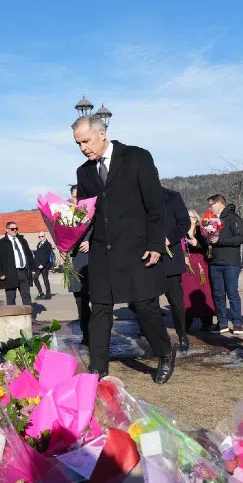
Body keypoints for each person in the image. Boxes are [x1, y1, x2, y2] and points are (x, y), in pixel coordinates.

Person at [71, 114, 176, 384]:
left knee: (144, 306)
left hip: (137, 249)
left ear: (102, 134)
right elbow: (86, 214)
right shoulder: (83, 172)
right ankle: (98, 368)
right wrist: (68, 235)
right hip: (101, 252)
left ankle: (165, 352)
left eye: (86, 141)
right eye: (78, 144)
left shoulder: (137, 157)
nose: (83, 147)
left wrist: (155, 245)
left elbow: (155, 206)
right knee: (100, 310)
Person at [205, 194, 243, 335]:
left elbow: (240, 238)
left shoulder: (234, 218)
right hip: (214, 262)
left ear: (220, 203)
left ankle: (237, 323)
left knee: (232, 293)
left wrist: (219, 240)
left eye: (211, 204)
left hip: (230, 263)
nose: (209, 207)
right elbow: (207, 239)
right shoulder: (209, 219)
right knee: (218, 294)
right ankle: (222, 322)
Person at [163, 187, 192, 350]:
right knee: (146, 302)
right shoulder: (136, 198)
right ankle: (154, 337)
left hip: (170, 257)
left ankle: (182, 334)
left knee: (175, 301)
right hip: (146, 258)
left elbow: (184, 223)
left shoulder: (172, 197)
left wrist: (169, 239)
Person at [181, 209, 215, 334]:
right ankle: (186, 321)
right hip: (186, 266)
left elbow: (208, 247)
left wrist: (197, 243)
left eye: (190, 216)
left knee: (204, 291)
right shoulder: (181, 231)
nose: (188, 219)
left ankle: (206, 322)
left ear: (195, 218)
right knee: (186, 292)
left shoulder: (202, 231)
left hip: (201, 265)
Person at [68, 186, 91, 345]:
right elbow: (63, 239)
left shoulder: (95, 213)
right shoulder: (68, 217)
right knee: (81, 303)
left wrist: (92, 242)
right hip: (76, 266)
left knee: (98, 303)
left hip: (94, 265)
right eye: (74, 197)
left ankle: (98, 334)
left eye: (79, 196)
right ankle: (86, 334)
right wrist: (63, 249)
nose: (77, 200)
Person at [0, 221, 35, 305]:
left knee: (26, 296)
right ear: (7, 230)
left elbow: (29, 255)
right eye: (12, 229)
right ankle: (11, 317)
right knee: (11, 298)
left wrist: (33, 268)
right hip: (10, 273)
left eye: (16, 229)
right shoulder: (1, 243)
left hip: (23, 272)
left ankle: (28, 317)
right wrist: (0, 273)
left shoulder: (22, 241)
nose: (15, 230)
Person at [32, 232, 54, 300]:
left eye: (42, 236)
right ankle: (40, 293)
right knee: (35, 278)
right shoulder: (39, 244)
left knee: (45, 279)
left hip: (44, 265)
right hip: (38, 265)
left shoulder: (48, 244)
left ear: (44, 236)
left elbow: (47, 255)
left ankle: (48, 294)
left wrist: (43, 264)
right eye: (39, 236)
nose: (40, 238)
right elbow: (38, 255)